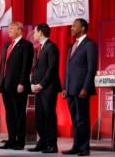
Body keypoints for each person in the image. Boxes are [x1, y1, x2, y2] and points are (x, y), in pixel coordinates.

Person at [62, 18, 98, 156]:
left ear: (82, 28)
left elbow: (91, 68)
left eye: (74, 26)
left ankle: (84, 147)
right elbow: (68, 69)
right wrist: (65, 87)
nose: (71, 28)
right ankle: (76, 146)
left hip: (81, 89)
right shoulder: (72, 46)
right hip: (70, 88)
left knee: (82, 119)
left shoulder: (90, 45)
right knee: (75, 120)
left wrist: (86, 87)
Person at [0, 21, 34, 150]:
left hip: (17, 85)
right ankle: (11, 139)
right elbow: (2, 65)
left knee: (19, 114)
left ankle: (20, 141)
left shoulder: (26, 45)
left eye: (12, 29)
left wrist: (22, 82)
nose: (9, 31)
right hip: (6, 85)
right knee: (10, 114)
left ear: (19, 30)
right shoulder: (7, 45)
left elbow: (26, 65)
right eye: (9, 29)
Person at [27, 23, 62, 153]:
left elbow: (52, 68)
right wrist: (32, 84)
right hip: (37, 88)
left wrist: (41, 84)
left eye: (35, 32)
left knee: (49, 115)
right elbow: (34, 69)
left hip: (48, 88)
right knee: (39, 116)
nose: (34, 34)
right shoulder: (39, 48)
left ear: (41, 32)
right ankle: (42, 141)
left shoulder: (51, 47)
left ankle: (52, 144)